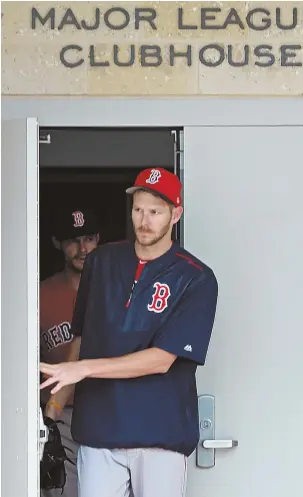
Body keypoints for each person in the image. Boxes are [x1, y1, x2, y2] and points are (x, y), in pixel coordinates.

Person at [40, 168, 218, 497]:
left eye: (155, 211)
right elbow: (80, 339)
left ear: (175, 214)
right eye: (138, 209)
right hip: (98, 433)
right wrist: (50, 414)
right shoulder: (102, 261)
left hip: (158, 435)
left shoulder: (196, 277)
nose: (144, 220)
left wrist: (86, 369)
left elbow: (162, 360)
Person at [40, 207, 100, 497]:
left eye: (89, 238)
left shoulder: (114, 290)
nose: (82, 248)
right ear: (57, 243)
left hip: (106, 411)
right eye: (73, 240)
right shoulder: (39, 294)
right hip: (60, 416)